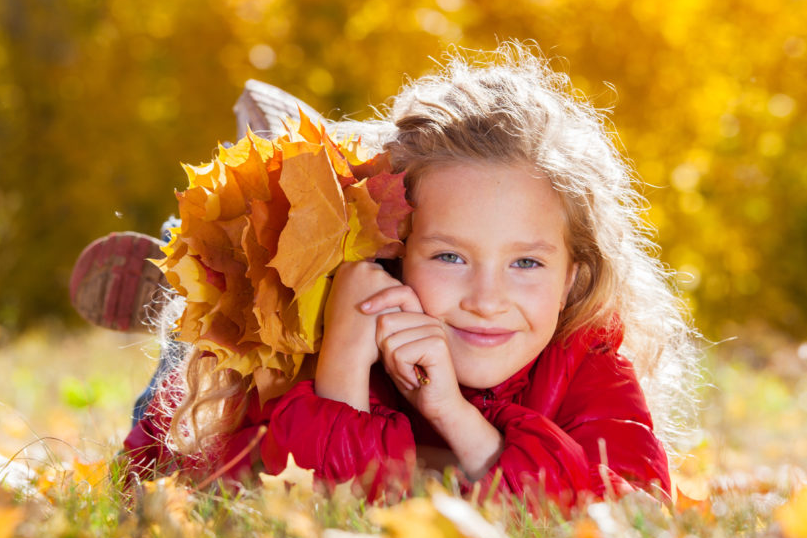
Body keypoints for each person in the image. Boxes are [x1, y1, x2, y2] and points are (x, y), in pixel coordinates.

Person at [92, 45, 699, 507]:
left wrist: (454, 417)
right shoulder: (327, 335)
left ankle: (306, 162)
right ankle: (198, 260)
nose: (488, 301)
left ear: (573, 277)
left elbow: (628, 505)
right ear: (393, 257)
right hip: (289, 302)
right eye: (450, 257)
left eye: (527, 263)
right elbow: (275, 495)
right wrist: (342, 363)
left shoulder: (585, 347)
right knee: (218, 322)